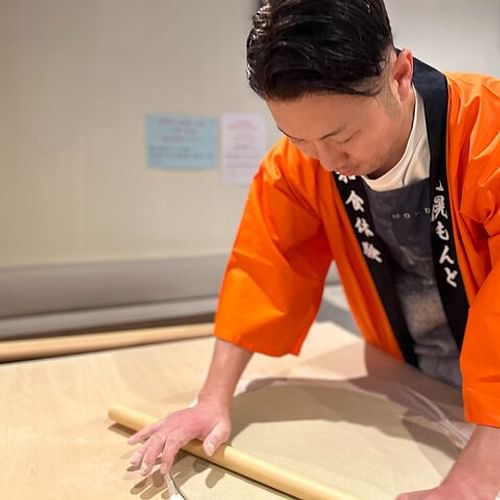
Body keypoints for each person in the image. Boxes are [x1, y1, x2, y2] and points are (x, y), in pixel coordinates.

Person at [128, 1, 500, 497]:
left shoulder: (489, 136)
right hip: (409, 380)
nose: (325, 161)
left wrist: (475, 480)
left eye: (341, 136)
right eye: (298, 138)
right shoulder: (299, 165)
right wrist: (212, 400)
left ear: (400, 75)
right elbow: (264, 268)